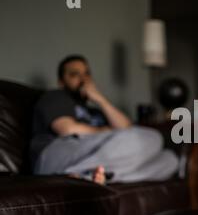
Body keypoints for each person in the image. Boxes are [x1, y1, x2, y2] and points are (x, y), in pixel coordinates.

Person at [31, 55, 178, 184]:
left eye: (87, 74)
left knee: (169, 160)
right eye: (75, 74)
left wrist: (100, 99)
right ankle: (73, 174)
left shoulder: (95, 111)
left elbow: (126, 128)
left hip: (89, 153)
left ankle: (95, 176)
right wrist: (105, 130)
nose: (83, 79)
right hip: (55, 153)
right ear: (61, 82)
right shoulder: (56, 96)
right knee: (154, 137)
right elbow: (67, 129)